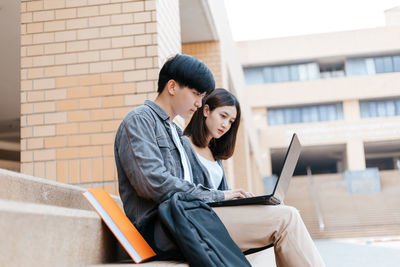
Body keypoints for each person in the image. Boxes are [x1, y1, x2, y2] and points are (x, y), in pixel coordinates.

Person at [114, 54, 325, 266]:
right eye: (196, 94)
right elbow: (153, 183)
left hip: (188, 218)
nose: (198, 103)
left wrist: (236, 200)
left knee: (281, 213)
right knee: (286, 219)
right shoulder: (140, 120)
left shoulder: (175, 133)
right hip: (164, 228)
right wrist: (220, 195)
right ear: (172, 87)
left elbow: (193, 187)